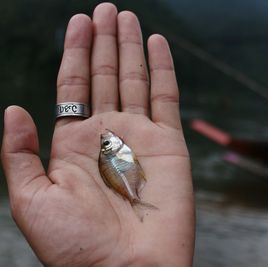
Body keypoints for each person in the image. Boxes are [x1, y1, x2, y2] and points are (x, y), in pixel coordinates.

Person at [1, 3, 194, 266]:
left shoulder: (112, 153)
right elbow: (126, 162)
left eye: (107, 141)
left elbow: (123, 163)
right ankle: (135, 201)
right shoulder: (114, 152)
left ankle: (134, 200)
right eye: (106, 142)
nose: (108, 140)